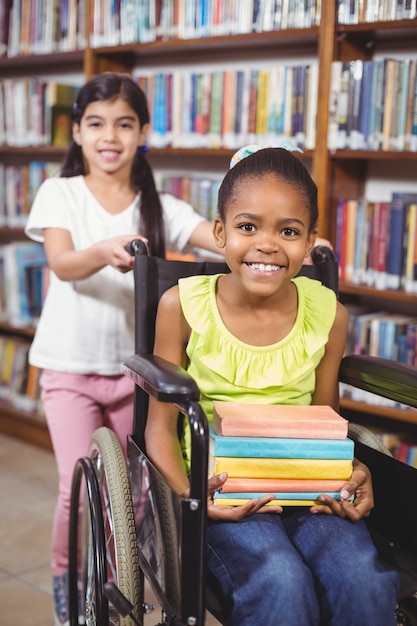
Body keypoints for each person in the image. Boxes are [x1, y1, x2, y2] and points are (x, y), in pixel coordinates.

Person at [145, 146, 399, 626]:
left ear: (309, 242)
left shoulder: (329, 314)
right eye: (247, 226)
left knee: (362, 579)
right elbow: (159, 428)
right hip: (226, 493)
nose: (267, 244)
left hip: (311, 487)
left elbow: (327, 420)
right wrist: (194, 497)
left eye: (288, 231)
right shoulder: (181, 306)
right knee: (281, 580)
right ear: (219, 234)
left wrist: (354, 467)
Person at [24, 72, 225, 626]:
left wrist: (291, 235)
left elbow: (222, 237)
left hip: (135, 374)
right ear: (77, 133)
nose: (109, 136)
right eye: (96, 123)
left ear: (141, 134)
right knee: (76, 487)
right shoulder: (58, 193)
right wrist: (102, 249)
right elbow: (64, 264)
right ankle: (70, 585)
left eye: (124, 124)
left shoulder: (159, 206)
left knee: (134, 501)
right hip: (69, 370)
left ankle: (117, 592)